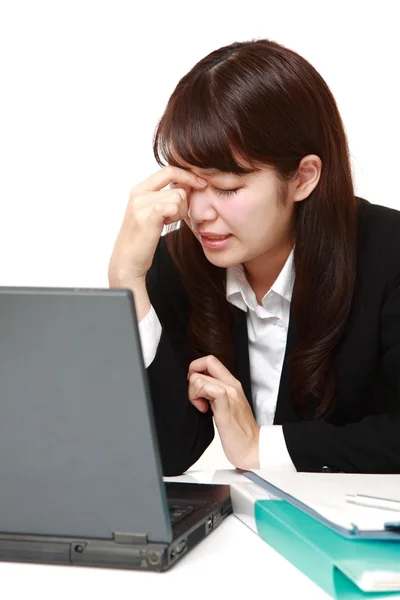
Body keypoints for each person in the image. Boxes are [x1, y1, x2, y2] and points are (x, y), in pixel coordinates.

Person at [108, 38, 400, 476]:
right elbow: (167, 452)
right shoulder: (178, 261)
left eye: (226, 187)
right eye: (188, 183)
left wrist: (263, 448)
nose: (199, 214)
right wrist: (128, 283)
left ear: (303, 178)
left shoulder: (389, 253)